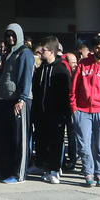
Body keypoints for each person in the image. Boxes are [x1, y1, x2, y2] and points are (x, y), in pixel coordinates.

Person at [69, 35, 100, 187]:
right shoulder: (83, 65)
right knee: (84, 145)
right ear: (93, 49)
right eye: (97, 47)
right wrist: (74, 109)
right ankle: (88, 173)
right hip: (82, 111)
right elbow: (73, 89)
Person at [0, 23, 34, 184]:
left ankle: (19, 174)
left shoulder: (25, 53)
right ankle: (7, 170)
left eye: (13, 35)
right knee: (7, 139)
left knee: (20, 139)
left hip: (19, 101)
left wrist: (22, 99)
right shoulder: (8, 53)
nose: (10, 38)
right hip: (6, 100)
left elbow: (26, 77)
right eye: (8, 35)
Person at [31, 37, 70, 183]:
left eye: (44, 50)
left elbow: (65, 93)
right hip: (41, 113)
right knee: (41, 140)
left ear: (52, 52)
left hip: (56, 114)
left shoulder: (61, 69)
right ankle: (42, 165)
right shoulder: (41, 69)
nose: (41, 52)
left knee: (55, 142)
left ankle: (54, 170)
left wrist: (64, 113)